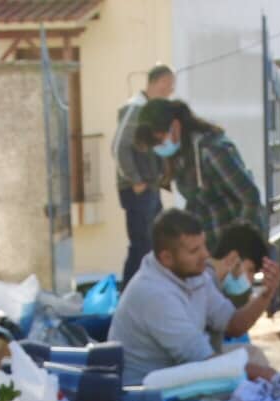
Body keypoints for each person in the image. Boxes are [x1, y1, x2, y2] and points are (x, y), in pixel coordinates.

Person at [110, 208, 279, 386]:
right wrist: (266, 374)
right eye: (194, 250)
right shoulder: (153, 293)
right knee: (254, 382)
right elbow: (203, 360)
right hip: (149, 390)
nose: (205, 255)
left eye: (204, 245)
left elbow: (233, 324)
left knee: (253, 357)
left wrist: (265, 295)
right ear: (166, 258)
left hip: (183, 368)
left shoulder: (193, 275)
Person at [134, 99, 265, 254]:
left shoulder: (212, 150)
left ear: (175, 126)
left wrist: (236, 247)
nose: (158, 148)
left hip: (232, 248)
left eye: (159, 140)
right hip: (208, 248)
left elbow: (250, 198)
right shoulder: (180, 155)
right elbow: (197, 202)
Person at [114, 64, 175, 286]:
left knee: (153, 244)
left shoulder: (149, 109)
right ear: (158, 82)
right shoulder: (136, 108)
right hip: (137, 189)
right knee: (141, 245)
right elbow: (119, 147)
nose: (170, 92)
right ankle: (129, 294)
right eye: (169, 86)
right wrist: (135, 179)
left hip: (150, 186)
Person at [208, 220, 268, 308]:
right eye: (251, 270)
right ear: (233, 258)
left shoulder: (216, 289)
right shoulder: (201, 286)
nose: (252, 280)